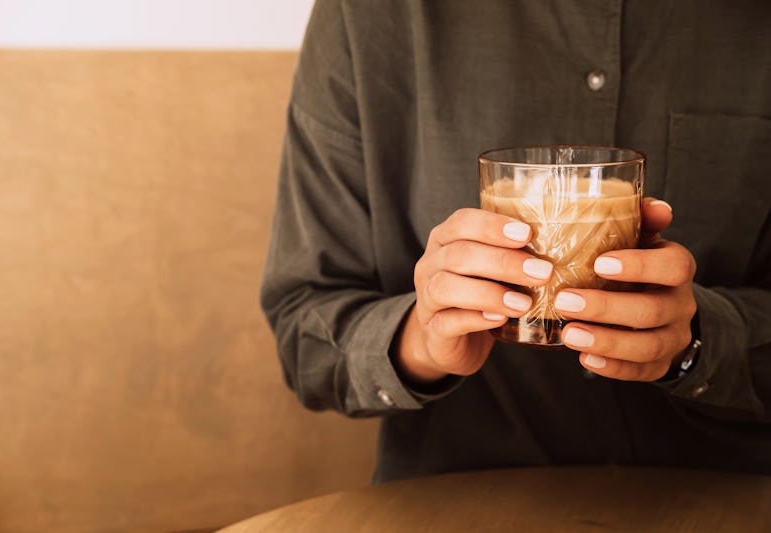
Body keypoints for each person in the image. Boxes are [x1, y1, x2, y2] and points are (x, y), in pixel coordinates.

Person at [261, 0, 771, 482]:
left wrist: (699, 341)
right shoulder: (373, 14)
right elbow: (304, 328)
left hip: (718, 493)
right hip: (456, 496)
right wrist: (422, 339)